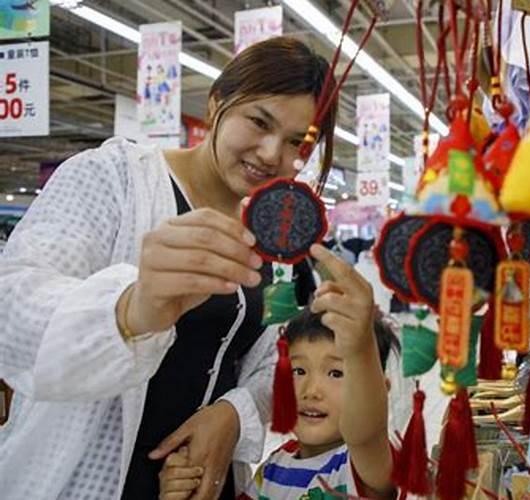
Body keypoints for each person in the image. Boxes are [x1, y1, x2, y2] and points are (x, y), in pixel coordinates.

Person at [0, 36, 337, 500]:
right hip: (84, 479)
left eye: (295, 142)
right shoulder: (112, 178)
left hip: (199, 485)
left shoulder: (269, 229)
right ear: (217, 103)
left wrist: (233, 413)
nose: (270, 153)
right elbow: (11, 308)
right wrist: (130, 310)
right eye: (259, 122)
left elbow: (268, 362)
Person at [160, 244, 398, 500]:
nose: (311, 390)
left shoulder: (361, 466)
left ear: (380, 390)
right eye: (298, 370)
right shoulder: (274, 467)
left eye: (336, 373)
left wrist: (361, 349)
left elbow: (366, 432)